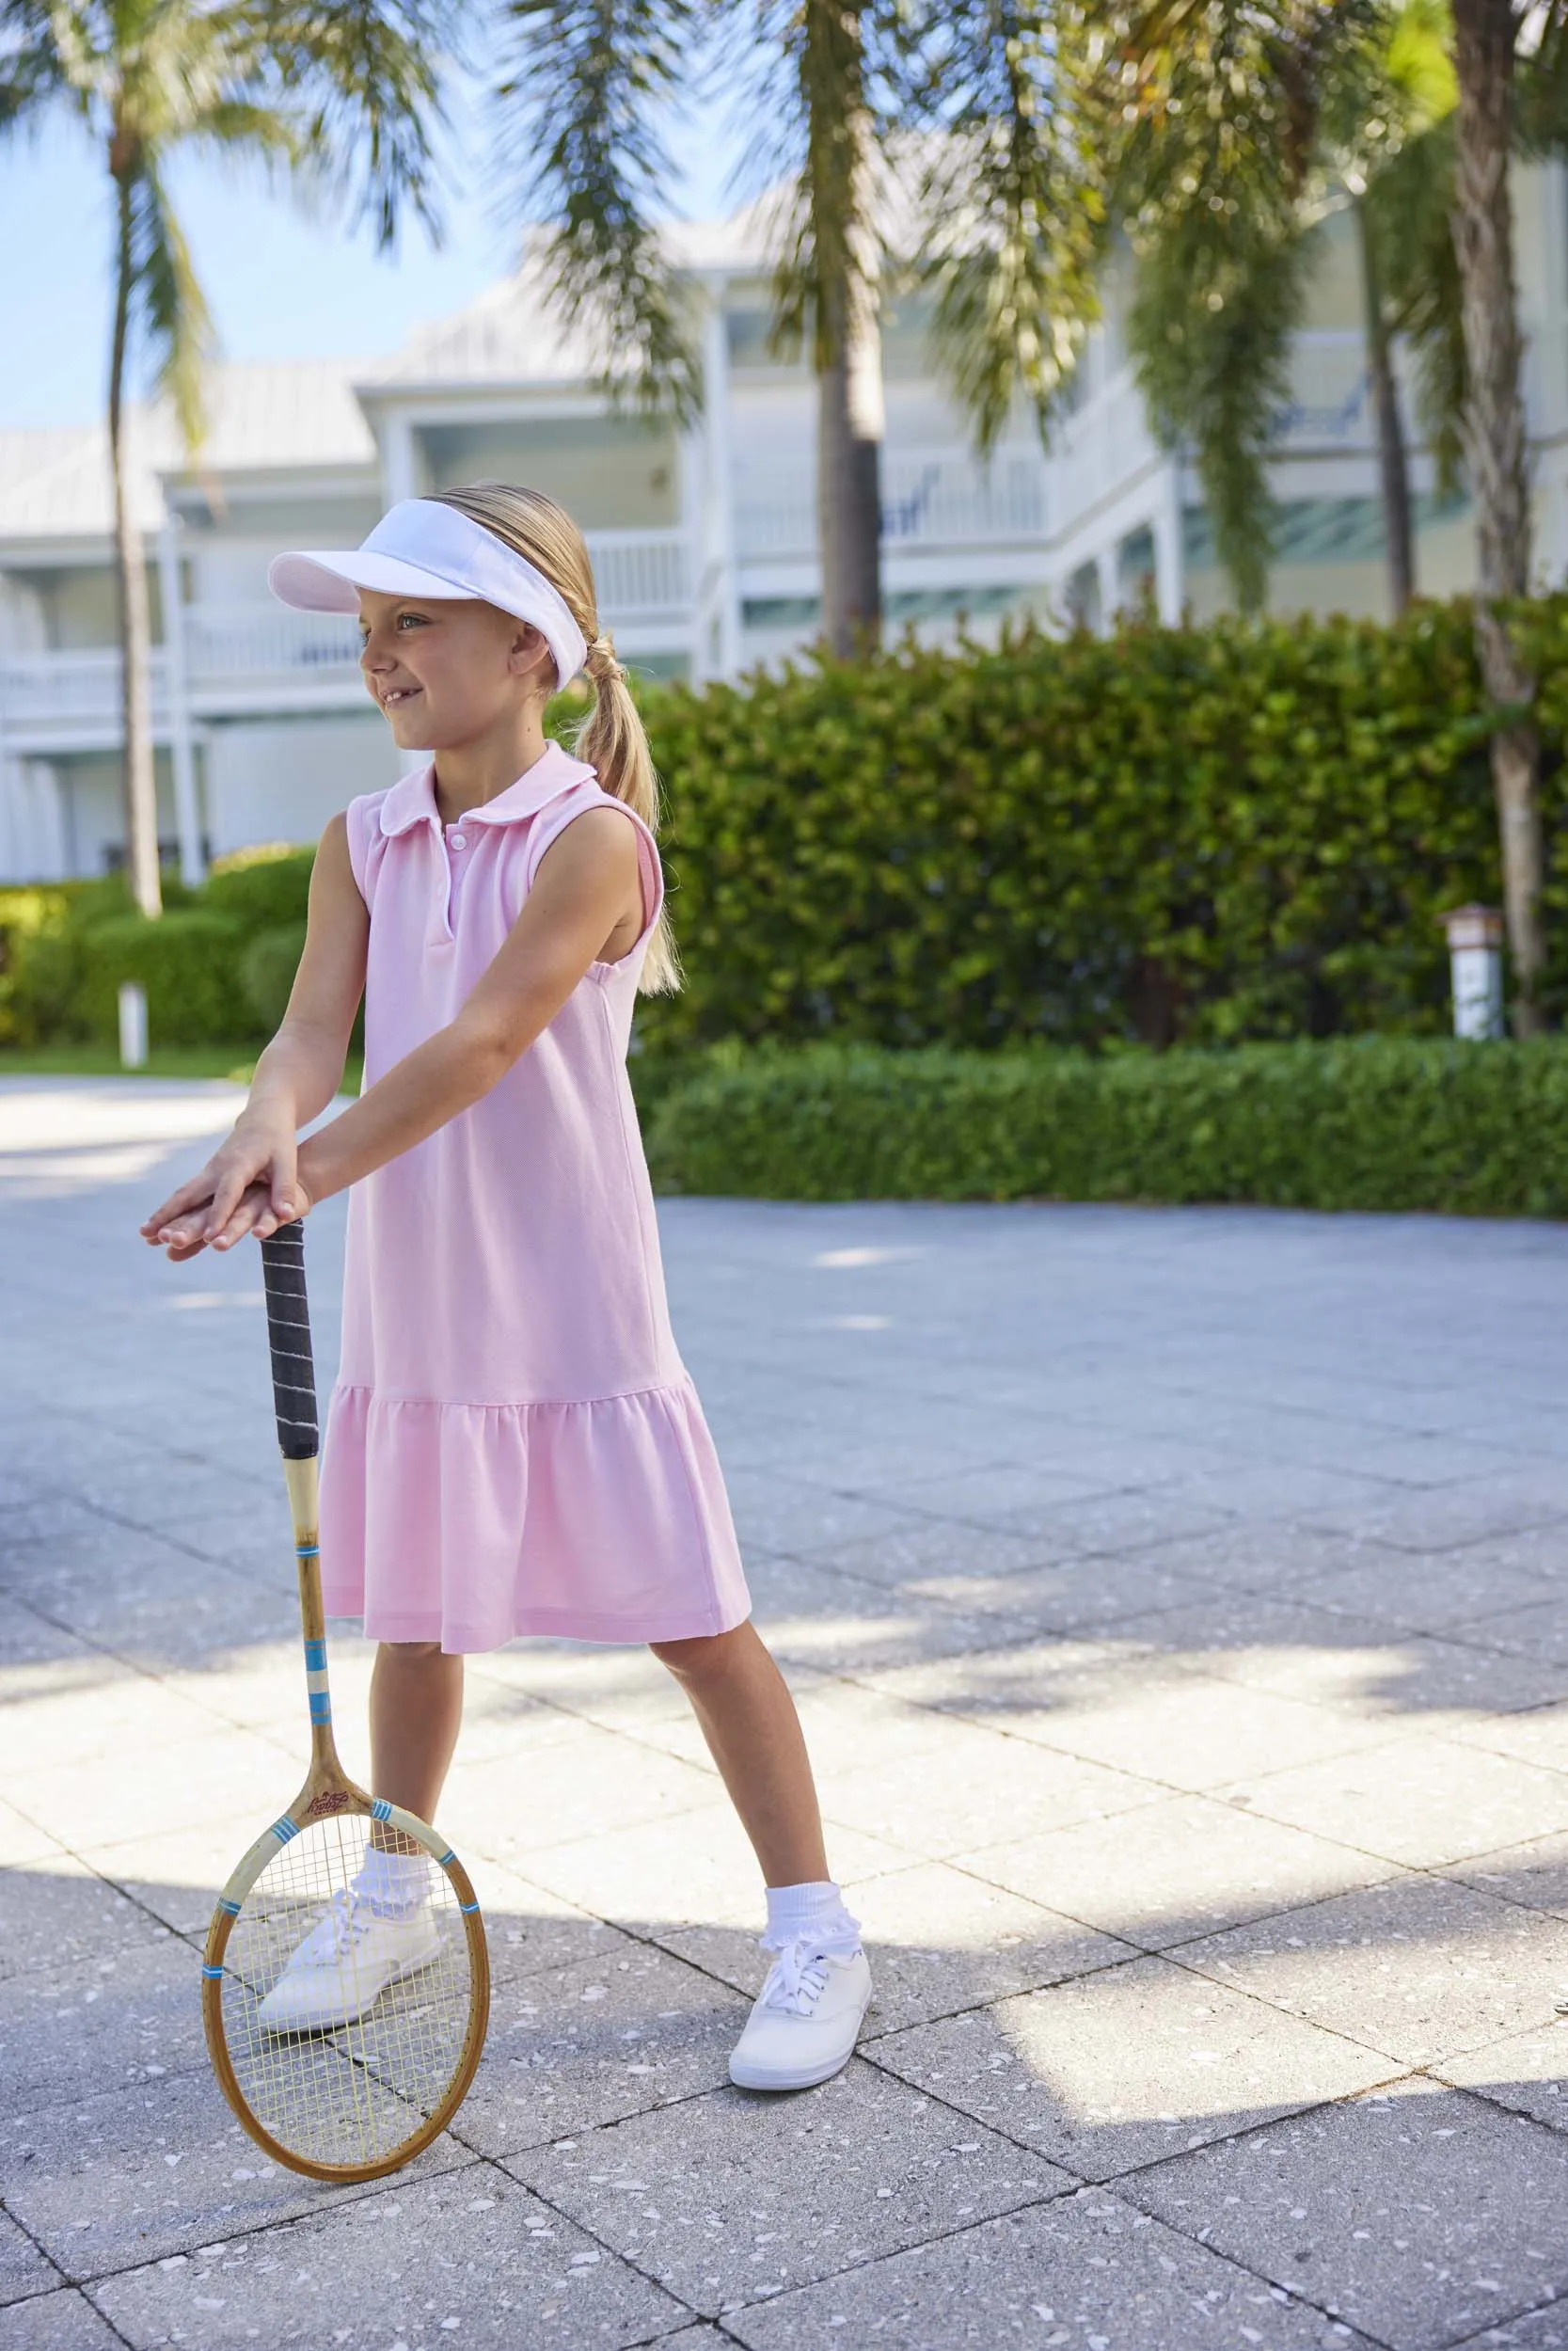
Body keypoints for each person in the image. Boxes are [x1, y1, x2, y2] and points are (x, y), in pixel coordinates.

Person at [141, 483, 871, 2092]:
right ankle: (395, 1888)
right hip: (423, 1295)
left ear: (529, 646)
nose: (378, 654)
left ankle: (815, 1924)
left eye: (412, 620)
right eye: (366, 628)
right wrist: (263, 1127)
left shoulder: (593, 839)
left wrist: (309, 1171)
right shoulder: (358, 836)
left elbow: (479, 1041)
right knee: (417, 1612)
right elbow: (307, 1031)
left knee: (698, 1621)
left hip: (572, 1292)